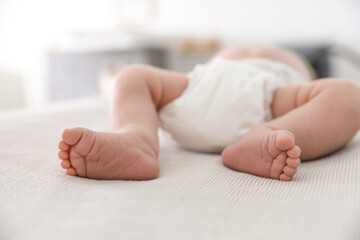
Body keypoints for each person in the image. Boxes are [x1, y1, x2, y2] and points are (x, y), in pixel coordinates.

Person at [57, 45, 360, 181]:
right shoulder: (206, 74)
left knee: (350, 95)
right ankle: (136, 138)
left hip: (274, 103)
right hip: (202, 85)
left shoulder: (296, 80)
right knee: (130, 76)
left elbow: (318, 102)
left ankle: (261, 139)